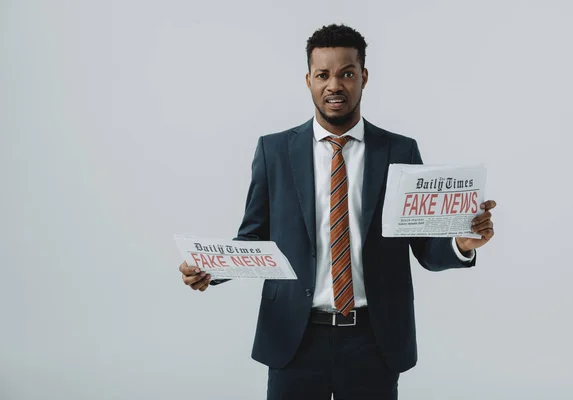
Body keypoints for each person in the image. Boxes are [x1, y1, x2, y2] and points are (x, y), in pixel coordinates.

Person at [179, 23, 496, 400]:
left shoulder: (400, 151)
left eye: (346, 73)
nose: (334, 85)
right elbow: (253, 239)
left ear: (363, 76)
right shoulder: (274, 152)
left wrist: (460, 243)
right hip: (294, 341)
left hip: (374, 341)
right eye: (323, 75)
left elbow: (425, 247)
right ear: (308, 80)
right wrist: (210, 270)